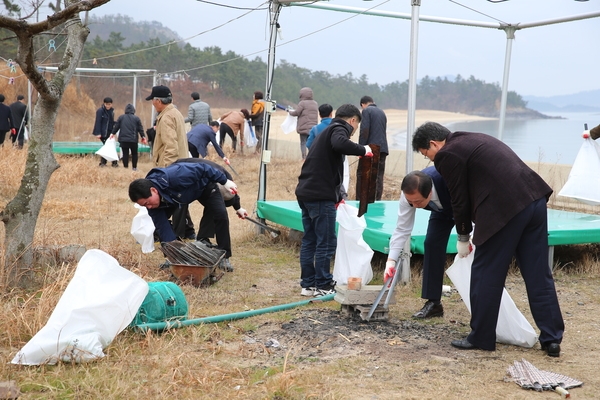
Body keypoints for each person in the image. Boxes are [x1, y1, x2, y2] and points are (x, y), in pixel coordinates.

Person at [412, 121, 564, 357]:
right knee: (538, 273)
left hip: (504, 209)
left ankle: (481, 337)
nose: (430, 161)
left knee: (485, 273)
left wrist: (463, 235)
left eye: (426, 154)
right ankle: (552, 339)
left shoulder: (447, 154)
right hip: (533, 200)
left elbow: (459, 200)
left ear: (434, 143)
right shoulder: (472, 137)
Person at [295, 104, 373, 297]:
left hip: (306, 192)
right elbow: (340, 144)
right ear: (353, 120)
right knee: (326, 241)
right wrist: (364, 150)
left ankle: (308, 285)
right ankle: (322, 284)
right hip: (320, 196)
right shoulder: (339, 128)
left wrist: (337, 196)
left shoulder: (326, 130)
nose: (353, 132)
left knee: (310, 239)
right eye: (355, 128)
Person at [128, 161, 238, 271]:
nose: (149, 207)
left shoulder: (176, 175)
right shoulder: (153, 205)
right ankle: (174, 257)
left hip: (204, 187)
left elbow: (203, 168)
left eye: (148, 203)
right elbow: (163, 228)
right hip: (177, 196)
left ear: (153, 190)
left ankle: (224, 256)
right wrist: (172, 255)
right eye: (145, 206)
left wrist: (224, 181)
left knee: (220, 214)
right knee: (162, 227)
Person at [384, 168, 454, 319]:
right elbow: (402, 228)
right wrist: (391, 261)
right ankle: (434, 303)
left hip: (463, 204)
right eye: (411, 202)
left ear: (429, 193)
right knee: (432, 243)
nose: (414, 206)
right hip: (441, 210)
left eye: (418, 202)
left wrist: (465, 237)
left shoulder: (448, 180)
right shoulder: (408, 196)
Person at [147, 85, 193, 239]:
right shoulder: (175, 112)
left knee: (174, 201)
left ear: (159, 101)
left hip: (172, 167)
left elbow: (171, 147)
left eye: (153, 100)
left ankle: (176, 235)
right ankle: (188, 231)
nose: (152, 104)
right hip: (181, 163)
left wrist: (165, 173)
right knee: (180, 198)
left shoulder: (166, 117)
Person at [176, 158, 248, 249]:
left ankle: (203, 239)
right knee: (179, 202)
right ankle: (176, 238)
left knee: (214, 207)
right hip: (183, 173)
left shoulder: (227, 180)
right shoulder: (219, 176)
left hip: (205, 183)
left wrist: (238, 208)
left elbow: (233, 192)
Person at [356, 96, 388, 201]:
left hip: (371, 149)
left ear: (362, 104)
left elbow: (364, 131)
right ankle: (376, 200)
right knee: (378, 176)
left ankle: (361, 201)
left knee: (363, 175)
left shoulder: (366, 111)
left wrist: (361, 149)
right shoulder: (382, 112)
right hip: (383, 148)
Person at [110, 104, 146, 171]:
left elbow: (116, 126)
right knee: (134, 153)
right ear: (133, 110)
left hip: (123, 140)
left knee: (125, 153)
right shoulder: (136, 118)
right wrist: (143, 136)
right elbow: (140, 129)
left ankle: (125, 167)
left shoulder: (121, 117)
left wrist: (112, 133)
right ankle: (134, 167)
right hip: (133, 139)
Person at [287, 87, 318, 160]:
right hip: (313, 127)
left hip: (304, 127)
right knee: (311, 143)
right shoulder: (315, 103)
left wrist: (290, 112)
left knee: (303, 142)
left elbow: (297, 112)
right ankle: (312, 157)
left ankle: (304, 158)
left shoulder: (302, 103)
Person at [93, 97, 117, 167]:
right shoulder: (100, 111)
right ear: (104, 104)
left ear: (111, 104)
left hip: (110, 132)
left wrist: (117, 125)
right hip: (103, 132)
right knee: (107, 146)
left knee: (109, 146)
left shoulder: (112, 111)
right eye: (107, 104)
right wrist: (98, 133)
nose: (108, 106)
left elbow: (111, 121)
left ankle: (108, 163)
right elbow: (98, 122)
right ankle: (108, 163)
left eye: (109, 104)